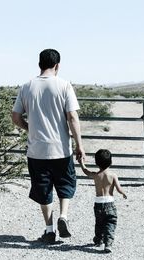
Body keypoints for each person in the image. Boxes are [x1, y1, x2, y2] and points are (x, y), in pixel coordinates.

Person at [11, 49, 85, 244]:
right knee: (66, 184)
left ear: (39, 64)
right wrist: (79, 145)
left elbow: (15, 117)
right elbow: (72, 117)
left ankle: (49, 229)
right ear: (57, 65)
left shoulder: (27, 87)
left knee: (43, 189)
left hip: (37, 150)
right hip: (61, 148)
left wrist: (30, 129)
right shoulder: (64, 85)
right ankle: (64, 216)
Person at [79, 149, 127, 253]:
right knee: (110, 223)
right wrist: (123, 193)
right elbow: (119, 189)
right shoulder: (113, 175)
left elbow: (86, 171)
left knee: (99, 223)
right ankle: (108, 243)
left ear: (96, 163)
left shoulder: (96, 175)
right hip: (110, 203)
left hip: (98, 204)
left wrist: (81, 163)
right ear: (111, 162)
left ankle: (98, 240)